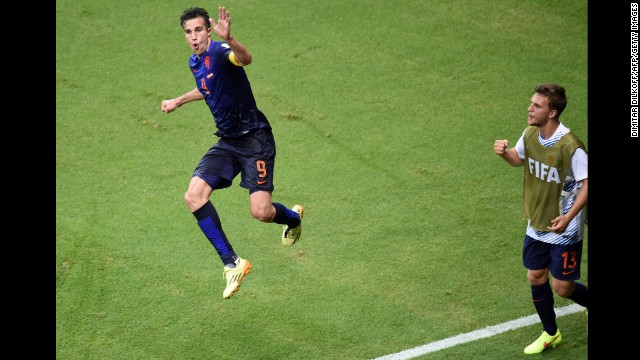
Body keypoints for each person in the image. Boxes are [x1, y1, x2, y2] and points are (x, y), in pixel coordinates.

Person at [161, 5, 304, 300]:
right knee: (193, 196)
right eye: (188, 32)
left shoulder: (221, 50)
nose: (194, 37)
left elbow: (245, 58)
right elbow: (207, 87)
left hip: (255, 140)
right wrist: (179, 100)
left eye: (198, 30)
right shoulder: (195, 62)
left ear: (209, 30)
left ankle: (293, 219)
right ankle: (232, 263)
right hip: (228, 142)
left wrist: (232, 38)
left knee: (261, 213)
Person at [493, 83, 589, 354]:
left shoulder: (571, 146)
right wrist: (504, 154)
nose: (530, 108)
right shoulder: (531, 133)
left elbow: (587, 184)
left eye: (537, 105)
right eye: (531, 103)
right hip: (537, 221)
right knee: (535, 275)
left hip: (564, 228)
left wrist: (569, 217)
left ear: (552, 112)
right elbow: (518, 158)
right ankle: (550, 332)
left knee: (562, 287)